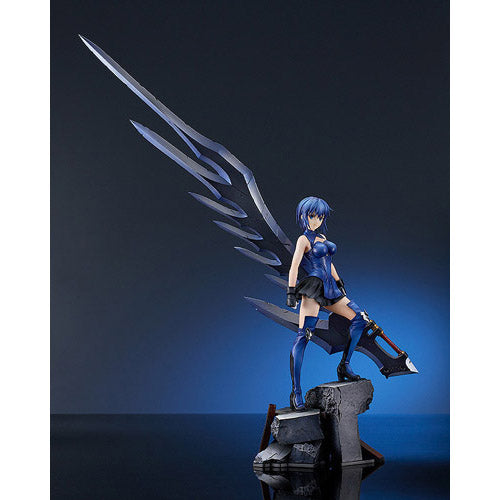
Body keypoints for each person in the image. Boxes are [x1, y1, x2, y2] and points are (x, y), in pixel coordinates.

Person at [286, 196, 371, 411]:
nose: (316, 220)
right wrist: (291, 291)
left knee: (359, 319)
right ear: (304, 216)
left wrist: (339, 280)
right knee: (304, 336)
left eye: (320, 217)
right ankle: (296, 392)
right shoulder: (303, 240)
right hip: (313, 288)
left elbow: (328, 263)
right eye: (312, 216)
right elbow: (294, 266)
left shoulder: (322, 237)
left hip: (331, 288)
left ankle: (344, 365)